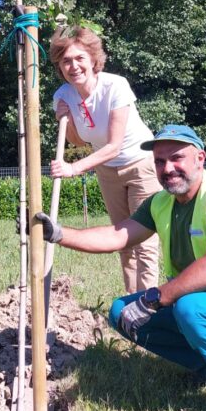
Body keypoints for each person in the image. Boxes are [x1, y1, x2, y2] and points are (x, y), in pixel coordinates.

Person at [36, 124, 206, 411]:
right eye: (159, 161)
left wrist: (156, 298)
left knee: (190, 309)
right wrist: (58, 234)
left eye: (176, 158)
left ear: (200, 158)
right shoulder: (162, 202)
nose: (167, 168)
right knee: (122, 312)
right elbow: (118, 236)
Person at [48, 25, 161, 292]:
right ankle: (132, 303)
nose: (73, 66)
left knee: (144, 238)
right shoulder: (63, 96)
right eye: (66, 61)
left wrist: (73, 169)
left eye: (79, 58)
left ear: (92, 60)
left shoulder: (115, 86)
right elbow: (78, 140)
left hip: (140, 163)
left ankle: (150, 306)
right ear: (60, 66)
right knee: (122, 238)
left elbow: (113, 145)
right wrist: (63, 116)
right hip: (108, 171)